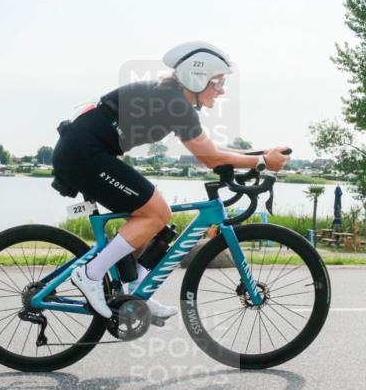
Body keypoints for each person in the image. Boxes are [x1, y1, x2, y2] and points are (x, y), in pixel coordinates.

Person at [52, 41, 290, 319]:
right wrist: (262, 162)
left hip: (87, 151)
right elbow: (211, 158)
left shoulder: (172, 99)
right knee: (157, 212)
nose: (222, 90)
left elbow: (212, 150)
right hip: (84, 154)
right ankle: (90, 274)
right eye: (218, 82)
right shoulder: (175, 103)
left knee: (152, 214)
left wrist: (262, 155)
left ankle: (135, 290)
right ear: (197, 78)